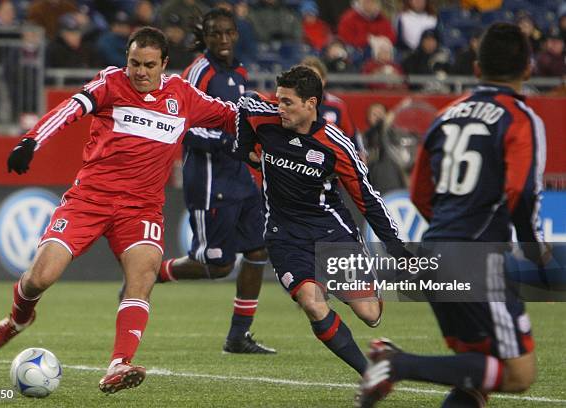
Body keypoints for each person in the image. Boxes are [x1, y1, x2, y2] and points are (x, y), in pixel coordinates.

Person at [0, 27, 238, 394]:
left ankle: (119, 363)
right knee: (40, 277)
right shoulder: (111, 82)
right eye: (134, 63)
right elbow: (71, 108)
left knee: (144, 275)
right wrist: (31, 140)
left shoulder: (182, 95)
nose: (140, 72)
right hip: (90, 200)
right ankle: (18, 320)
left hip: (141, 209)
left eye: (149, 65)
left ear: (164, 65)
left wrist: (275, 125)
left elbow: (232, 116)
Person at [357, 23, 551, 407]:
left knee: (475, 377)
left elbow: (419, 195)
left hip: (435, 254)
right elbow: (521, 190)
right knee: (517, 374)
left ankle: (397, 364)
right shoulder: (520, 117)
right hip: (479, 260)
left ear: (476, 69)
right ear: (528, 69)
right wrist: (533, 250)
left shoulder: (446, 116)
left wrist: (450, 232)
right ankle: (397, 363)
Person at [234, 66, 410, 377]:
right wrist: (247, 150)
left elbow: (367, 200)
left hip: (330, 233)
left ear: (311, 104)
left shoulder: (336, 145)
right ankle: (371, 374)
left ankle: (357, 287)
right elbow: (244, 105)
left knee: (369, 314)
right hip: (284, 235)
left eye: (288, 103)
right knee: (313, 304)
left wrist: (398, 251)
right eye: (279, 101)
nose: (280, 108)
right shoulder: (266, 118)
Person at [130, 8, 276, 354]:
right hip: (211, 179)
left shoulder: (239, 71)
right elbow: (182, 126)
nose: (222, 39)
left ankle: (239, 335)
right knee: (217, 263)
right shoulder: (198, 72)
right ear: (205, 36)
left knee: (258, 249)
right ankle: (151, 275)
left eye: (228, 32)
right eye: (215, 33)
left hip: (239, 176)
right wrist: (233, 143)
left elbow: (238, 117)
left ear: (236, 34)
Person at [300, 56, 364, 156]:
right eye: (306, 78)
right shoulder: (292, 106)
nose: (311, 82)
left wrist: (360, 155)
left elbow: (351, 136)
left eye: (315, 77)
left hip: (332, 161)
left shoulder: (337, 105)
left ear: (324, 80)